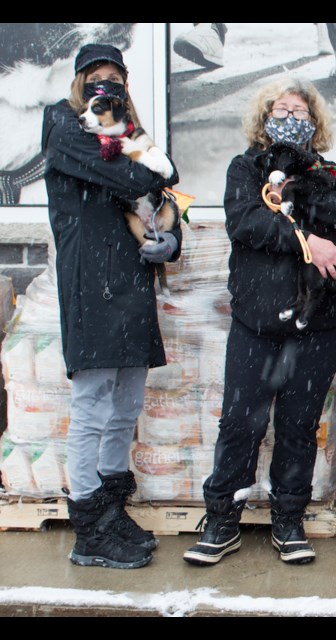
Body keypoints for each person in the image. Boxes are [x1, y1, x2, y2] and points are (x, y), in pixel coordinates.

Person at [182, 77, 336, 566]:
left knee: (298, 424)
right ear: (264, 117)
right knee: (240, 423)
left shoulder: (333, 172)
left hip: (319, 323)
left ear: (315, 123)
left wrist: (303, 191)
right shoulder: (245, 169)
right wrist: (309, 241)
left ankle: (289, 519)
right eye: (282, 110)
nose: (292, 119)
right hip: (256, 321)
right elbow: (246, 222)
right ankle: (223, 519)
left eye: (301, 113)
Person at [42, 43, 181, 569]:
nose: (106, 87)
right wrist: (144, 153)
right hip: (91, 285)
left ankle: (110, 506)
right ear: (79, 82)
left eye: (115, 79)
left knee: (124, 404)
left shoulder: (121, 133)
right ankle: (88, 525)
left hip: (131, 283)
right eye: (95, 78)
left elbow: (165, 195)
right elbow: (143, 177)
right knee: (93, 406)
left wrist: (172, 241)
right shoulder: (66, 129)